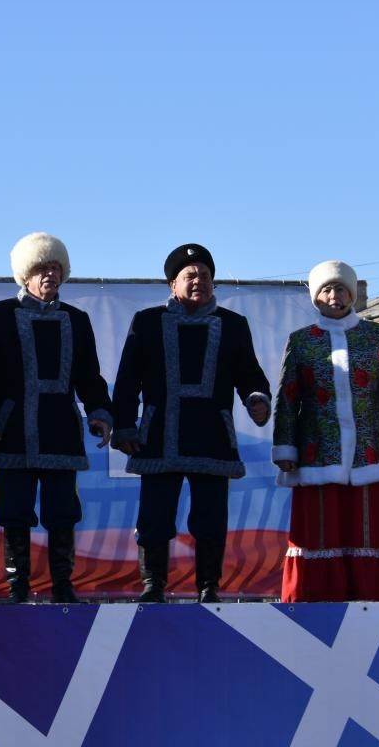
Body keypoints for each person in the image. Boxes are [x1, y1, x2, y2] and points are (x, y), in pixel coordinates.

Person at [111, 243, 271, 603]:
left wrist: (257, 399)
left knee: (211, 519)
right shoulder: (147, 322)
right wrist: (124, 426)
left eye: (205, 275)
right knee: (154, 517)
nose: (198, 280)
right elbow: (128, 380)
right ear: (173, 284)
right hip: (158, 436)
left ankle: (208, 586)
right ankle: (153, 585)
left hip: (212, 435)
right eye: (190, 275)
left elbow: (250, 374)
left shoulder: (233, 325)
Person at [0, 232, 113, 603]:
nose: (50, 274)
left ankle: (63, 587)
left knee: (63, 512)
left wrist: (99, 412)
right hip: (11, 432)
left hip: (61, 430)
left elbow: (89, 376)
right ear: (25, 275)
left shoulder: (76, 319)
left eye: (55, 268)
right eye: (41, 268)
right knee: (14, 512)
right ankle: (18, 588)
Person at [272, 261, 379, 601]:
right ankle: (318, 600)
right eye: (327, 290)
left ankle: (378, 599)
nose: (334, 296)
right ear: (316, 297)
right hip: (318, 452)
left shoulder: (377, 335)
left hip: (374, 449)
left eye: (341, 289)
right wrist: (285, 446)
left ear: (352, 295)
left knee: (372, 527)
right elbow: (288, 398)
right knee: (323, 529)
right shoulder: (301, 341)